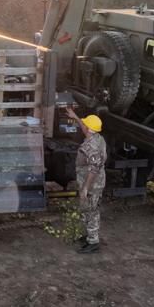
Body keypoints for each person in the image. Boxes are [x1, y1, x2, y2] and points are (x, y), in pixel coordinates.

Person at [67, 107, 107, 254]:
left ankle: (93, 242)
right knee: (87, 209)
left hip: (92, 185)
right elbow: (85, 126)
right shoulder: (98, 138)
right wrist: (75, 117)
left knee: (92, 211)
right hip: (93, 182)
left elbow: (93, 169)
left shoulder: (91, 147)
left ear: (88, 129)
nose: (82, 126)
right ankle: (90, 236)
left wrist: (85, 188)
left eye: (84, 125)